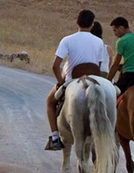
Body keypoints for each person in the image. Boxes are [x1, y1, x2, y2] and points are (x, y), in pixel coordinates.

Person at [45, 9, 107, 150]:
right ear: (92, 25)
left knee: (49, 102)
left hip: (72, 81)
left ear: (76, 22)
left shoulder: (67, 40)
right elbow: (97, 66)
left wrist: (61, 82)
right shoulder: (99, 42)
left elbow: (55, 66)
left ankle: (55, 138)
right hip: (94, 80)